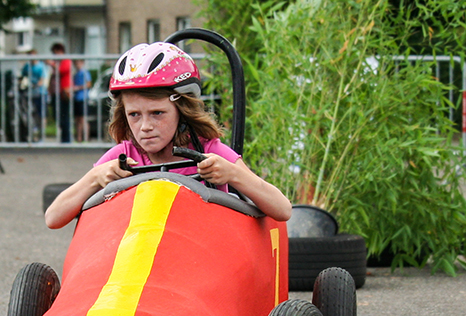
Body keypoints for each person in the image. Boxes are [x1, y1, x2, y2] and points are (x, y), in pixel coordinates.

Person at [45, 42, 292, 229]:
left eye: (157, 113)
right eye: (134, 115)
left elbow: (282, 209)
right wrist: (95, 177)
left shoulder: (210, 152)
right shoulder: (123, 156)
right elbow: (53, 218)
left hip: (204, 262)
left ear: (182, 111)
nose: (145, 126)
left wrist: (233, 173)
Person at [19, 49, 47, 141]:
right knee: (31, 116)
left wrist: (34, 85)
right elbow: (22, 76)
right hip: (29, 95)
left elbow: (42, 80)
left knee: (41, 115)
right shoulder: (27, 66)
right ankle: (32, 135)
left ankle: (42, 136)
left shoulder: (41, 66)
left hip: (40, 93)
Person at [48, 42, 72, 143]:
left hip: (63, 92)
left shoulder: (66, 61)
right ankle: (63, 137)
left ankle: (66, 139)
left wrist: (52, 65)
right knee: (57, 115)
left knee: (64, 116)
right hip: (56, 92)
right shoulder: (57, 62)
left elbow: (62, 71)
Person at [73, 59, 92, 142]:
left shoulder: (85, 73)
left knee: (83, 119)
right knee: (77, 119)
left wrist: (78, 88)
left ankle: (86, 137)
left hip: (83, 98)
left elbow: (88, 84)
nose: (77, 65)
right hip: (77, 98)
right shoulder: (76, 74)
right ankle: (79, 137)